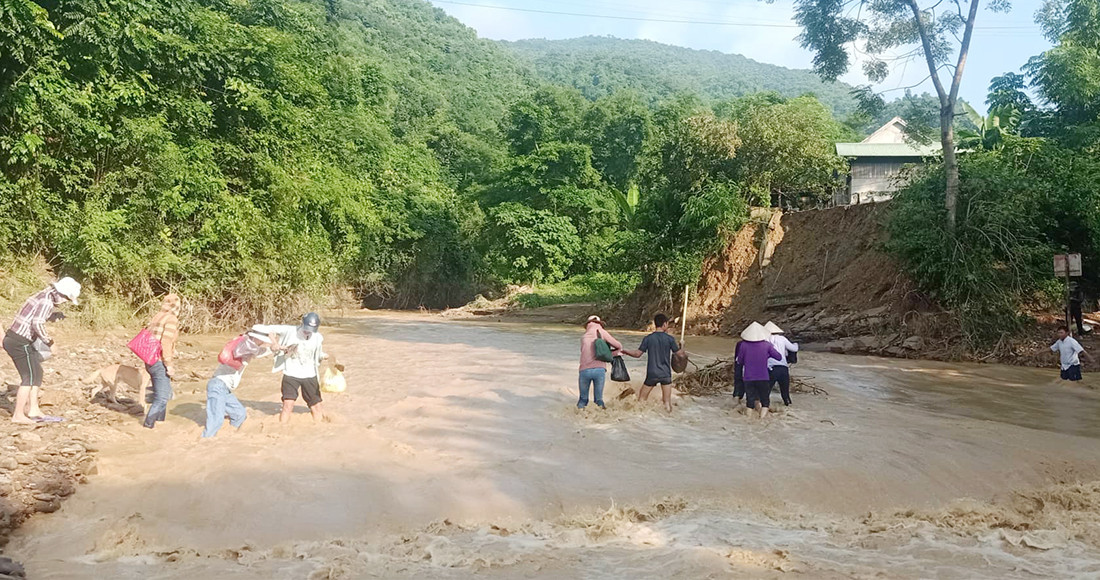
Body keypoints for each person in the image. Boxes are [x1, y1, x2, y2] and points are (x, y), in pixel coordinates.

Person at [3, 277, 81, 424]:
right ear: (61, 294)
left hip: (16, 339)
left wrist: (52, 316)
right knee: (29, 377)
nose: (65, 302)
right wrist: (50, 343)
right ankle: (18, 415)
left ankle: (33, 409)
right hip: (19, 342)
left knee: (37, 372)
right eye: (66, 298)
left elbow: (34, 315)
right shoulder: (47, 301)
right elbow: (37, 323)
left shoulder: (44, 294)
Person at [252, 313, 328, 423]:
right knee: (288, 406)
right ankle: (282, 430)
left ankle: (319, 430)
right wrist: (274, 343)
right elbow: (262, 328)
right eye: (306, 328)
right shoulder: (289, 330)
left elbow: (317, 354)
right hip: (291, 374)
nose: (308, 331)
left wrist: (324, 356)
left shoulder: (318, 337)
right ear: (302, 323)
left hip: (310, 375)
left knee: (316, 406)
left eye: (311, 329)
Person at [202, 331, 279, 438]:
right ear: (256, 338)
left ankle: (228, 434)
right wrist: (273, 346)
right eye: (261, 340)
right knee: (216, 420)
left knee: (239, 414)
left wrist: (272, 348)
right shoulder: (245, 346)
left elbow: (258, 352)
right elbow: (257, 351)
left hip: (224, 388)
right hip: (218, 385)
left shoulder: (247, 345)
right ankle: (206, 441)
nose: (262, 343)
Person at [624, 313, 680, 413]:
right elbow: (680, 355)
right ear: (665, 324)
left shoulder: (648, 339)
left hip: (652, 373)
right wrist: (682, 346)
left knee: (642, 399)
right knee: (667, 402)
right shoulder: (670, 339)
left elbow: (637, 354)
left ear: (655, 324)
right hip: (666, 374)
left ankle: (641, 419)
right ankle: (669, 419)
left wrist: (625, 351)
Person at [142, 294, 181, 429]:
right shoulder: (171, 319)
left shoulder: (157, 316)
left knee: (160, 394)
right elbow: (165, 341)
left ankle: (160, 424)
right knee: (162, 397)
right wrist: (169, 364)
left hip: (149, 359)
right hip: (159, 361)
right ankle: (148, 425)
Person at [577, 315, 625, 409]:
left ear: (588, 324)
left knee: (583, 399)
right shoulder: (602, 332)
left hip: (584, 370)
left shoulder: (584, 337)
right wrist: (612, 353)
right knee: (598, 399)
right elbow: (618, 345)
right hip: (599, 370)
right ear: (599, 323)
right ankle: (602, 420)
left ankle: (578, 418)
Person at [736, 322, 782, 418]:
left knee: (750, 401)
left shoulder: (743, 345)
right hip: (763, 377)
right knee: (765, 401)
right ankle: (761, 420)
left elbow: (739, 361)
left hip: (748, 377)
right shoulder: (767, 345)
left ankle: (748, 420)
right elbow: (779, 357)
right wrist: (767, 355)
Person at [764, 321, 799, 406]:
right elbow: (794, 349)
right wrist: (796, 344)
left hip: (770, 368)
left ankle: (764, 409)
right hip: (783, 368)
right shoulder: (782, 339)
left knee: (766, 391)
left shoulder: (764, 339)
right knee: (785, 392)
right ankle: (788, 406)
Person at [733, 339, 746, 406]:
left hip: (739, 365)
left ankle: (735, 405)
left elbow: (736, 357)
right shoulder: (759, 345)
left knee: (738, 384)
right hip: (750, 368)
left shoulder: (740, 343)